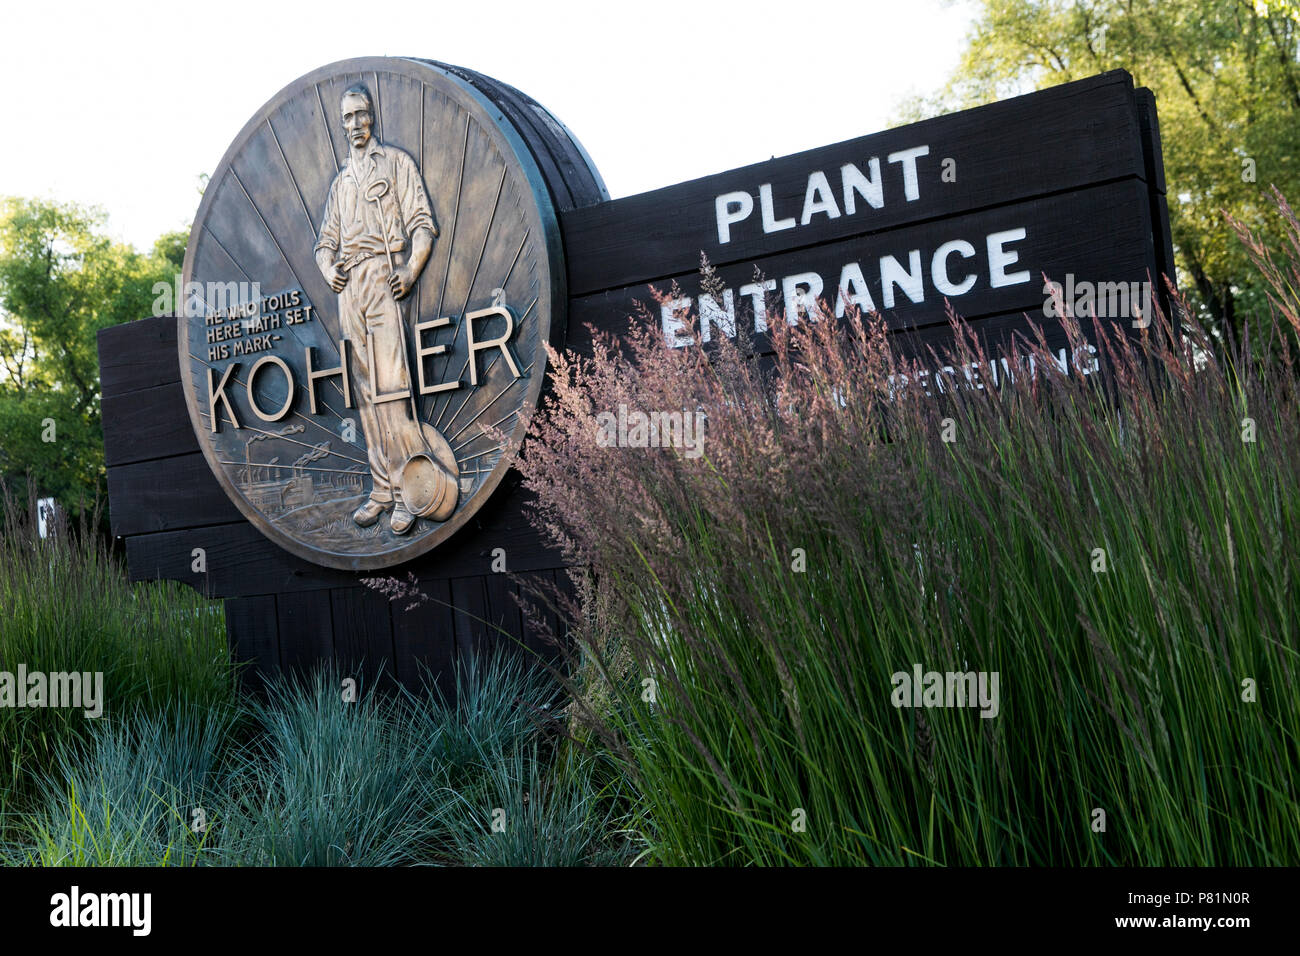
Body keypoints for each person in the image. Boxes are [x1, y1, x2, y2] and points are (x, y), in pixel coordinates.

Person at [314, 83, 456, 534]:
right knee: (364, 390)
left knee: (391, 385)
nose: (355, 125)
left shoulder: (396, 163)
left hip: (383, 274)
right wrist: (327, 271)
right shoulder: (340, 184)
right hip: (348, 288)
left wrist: (411, 271)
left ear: (372, 116)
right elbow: (323, 245)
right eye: (347, 119)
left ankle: (408, 489)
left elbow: (422, 224)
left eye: (361, 115)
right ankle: (381, 489)